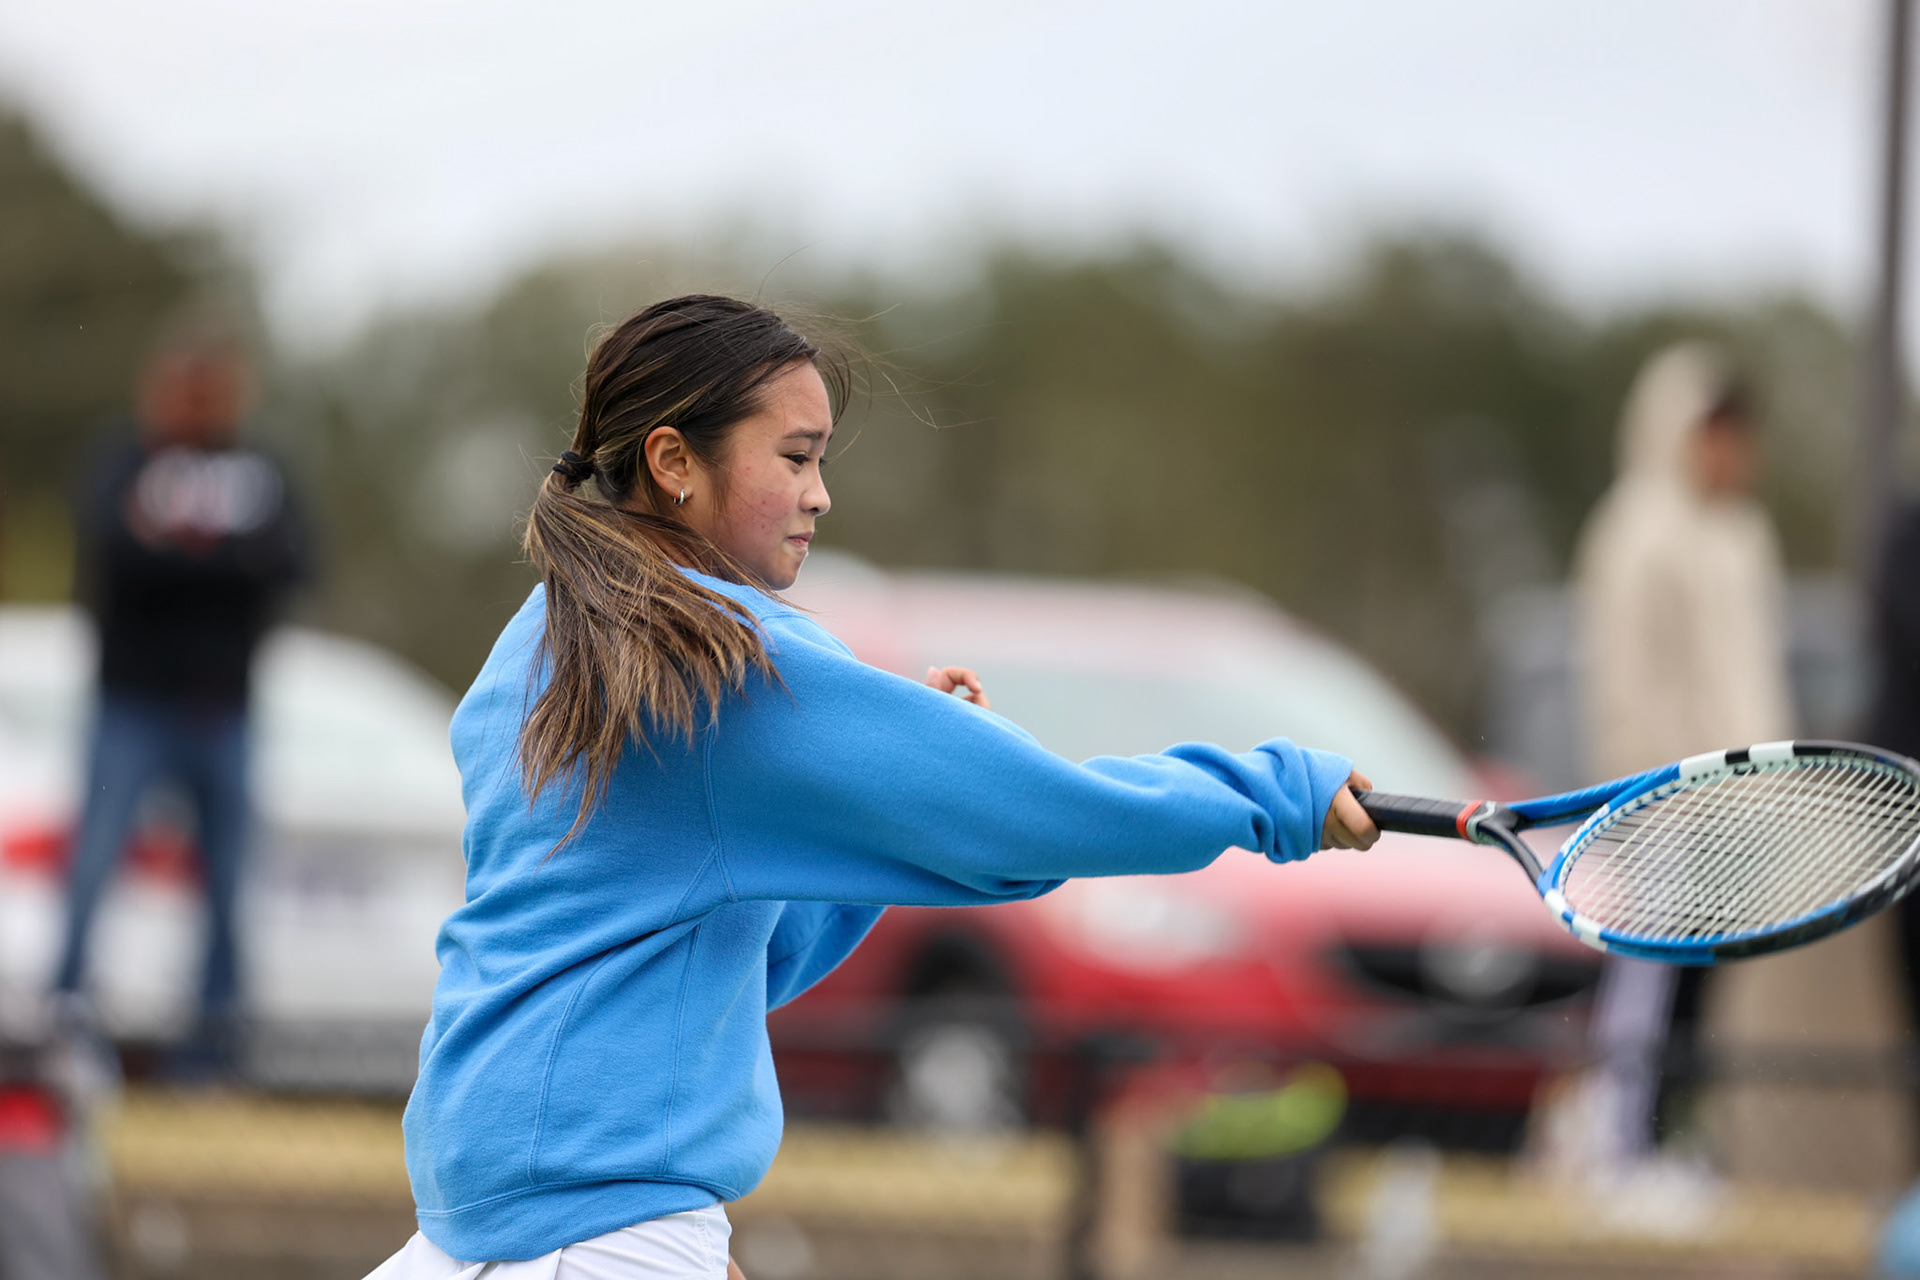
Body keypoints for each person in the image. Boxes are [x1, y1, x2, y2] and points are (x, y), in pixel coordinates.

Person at [366, 295, 1377, 1279]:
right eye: (796, 456)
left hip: (468, 1224)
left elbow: (714, 969)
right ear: (675, 462)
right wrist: (1276, 792)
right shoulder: (733, 660)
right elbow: (1041, 817)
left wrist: (881, 820)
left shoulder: (540, 639)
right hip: (600, 1237)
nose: (820, 494)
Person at [1565, 341, 1795, 1171]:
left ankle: (1669, 1144)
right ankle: (1615, 1148)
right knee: (1645, 982)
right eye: (1715, 432)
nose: (1732, 454)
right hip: (1662, 805)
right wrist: (1652, 790)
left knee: (1707, 989)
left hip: (1741, 814)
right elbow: (1627, 686)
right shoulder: (1636, 534)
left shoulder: (1739, 538)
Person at [54, 326, 310, 1071]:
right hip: (131, 705)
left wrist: (181, 552)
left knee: (227, 883)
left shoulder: (261, 467)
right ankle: (60, 1030)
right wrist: (224, 560)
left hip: (223, 709)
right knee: (94, 867)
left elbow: (294, 562)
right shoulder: (123, 461)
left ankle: (215, 1053)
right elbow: (113, 557)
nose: (197, 405)